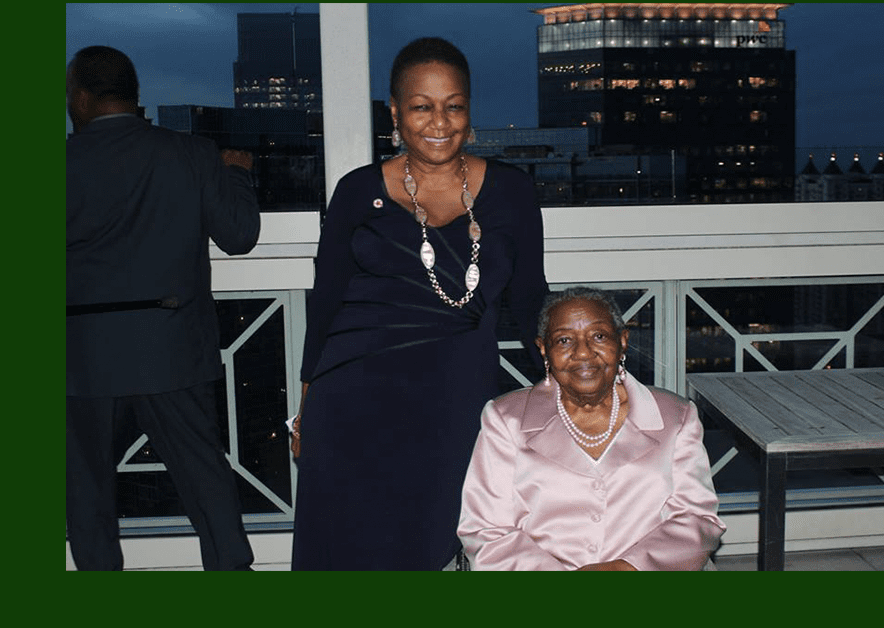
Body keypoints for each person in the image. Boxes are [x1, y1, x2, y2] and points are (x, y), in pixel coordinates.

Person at [289, 37, 549, 570]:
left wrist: (565, 384)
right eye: (421, 106)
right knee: (350, 549)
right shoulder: (358, 191)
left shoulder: (512, 191)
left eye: (454, 105)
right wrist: (307, 404)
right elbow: (327, 300)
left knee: (434, 541)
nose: (440, 121)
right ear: (395, 112)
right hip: (352, 398)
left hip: (453, 399)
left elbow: (530, 300)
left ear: (469, 110)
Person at [66, 46, 260, 571]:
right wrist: (238, 174)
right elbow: (240, 236)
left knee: (88, 502)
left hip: (82, 358)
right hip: (172, 348)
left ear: (80, 98)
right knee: (208, 487)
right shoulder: (191, 154)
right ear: (134, 98)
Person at [458, 286, 726, 570]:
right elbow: (485, 529)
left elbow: (698, 518)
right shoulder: (505, 419)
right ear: (543, 348)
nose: (583, 353)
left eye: (598, 336)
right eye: (564, 340)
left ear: (622, 341)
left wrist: (628, 568)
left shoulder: (675, 416)